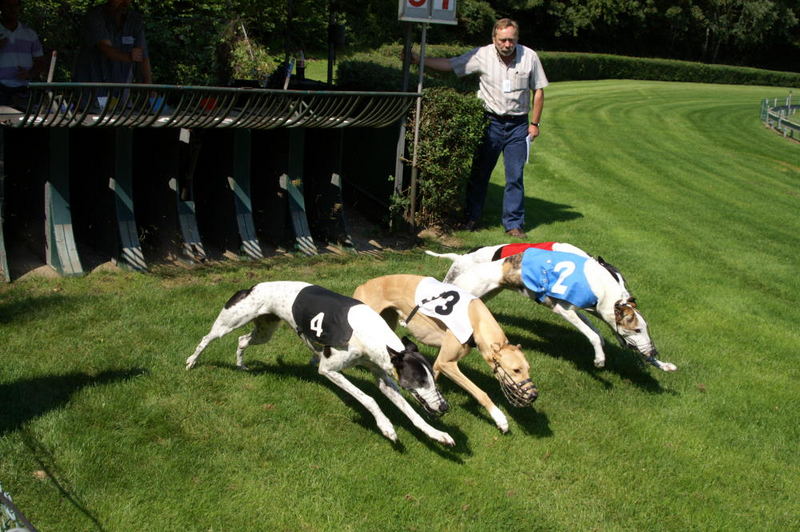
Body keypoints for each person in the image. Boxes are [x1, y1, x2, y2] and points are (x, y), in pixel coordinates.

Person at [411, 18, 548, 239]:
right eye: (502, 40)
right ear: (494, 38)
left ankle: (514, 224)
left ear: (517, 39)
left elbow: (539, 91)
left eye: (511, 40)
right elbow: (451, 64)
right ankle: (471, 218)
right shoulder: (482, 55)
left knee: (515, 176)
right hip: (490, 122)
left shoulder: (530, 57)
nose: (507, 44)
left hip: (517, 126)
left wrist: (534, 124)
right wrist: (420, 60)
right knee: (480, 173)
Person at [73, 0, 152, 86]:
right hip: (93, 85)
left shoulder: (135, 20)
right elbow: (105, 48)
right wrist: (129, 56)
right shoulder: (95, 16)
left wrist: (149, 84)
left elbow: (143, 56)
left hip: (122, 88)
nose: (125, 2)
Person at [0, 0, 45, 107]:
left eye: (15, 6)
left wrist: (29, 74)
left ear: (20, 8)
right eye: (8, 5)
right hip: (0, 89)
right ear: (1, 8)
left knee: (23, 122)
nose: (12, 9)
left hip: (23, 90)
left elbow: (40, 62)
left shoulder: (30, 33)